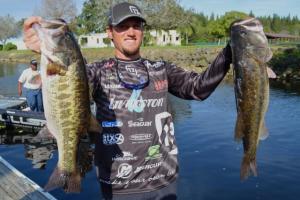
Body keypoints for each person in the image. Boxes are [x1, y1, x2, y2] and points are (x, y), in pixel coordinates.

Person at [23, 2, 232, 199]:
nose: (131, 32)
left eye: (136, 26)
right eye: (122, 26)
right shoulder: (96, 72)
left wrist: (230, 53)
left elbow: (198, 89)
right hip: (118, 186)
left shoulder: (162, 69)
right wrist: (48, 43)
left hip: (163, 183)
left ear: (142, 31)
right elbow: (70, 78)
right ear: (109, 32)